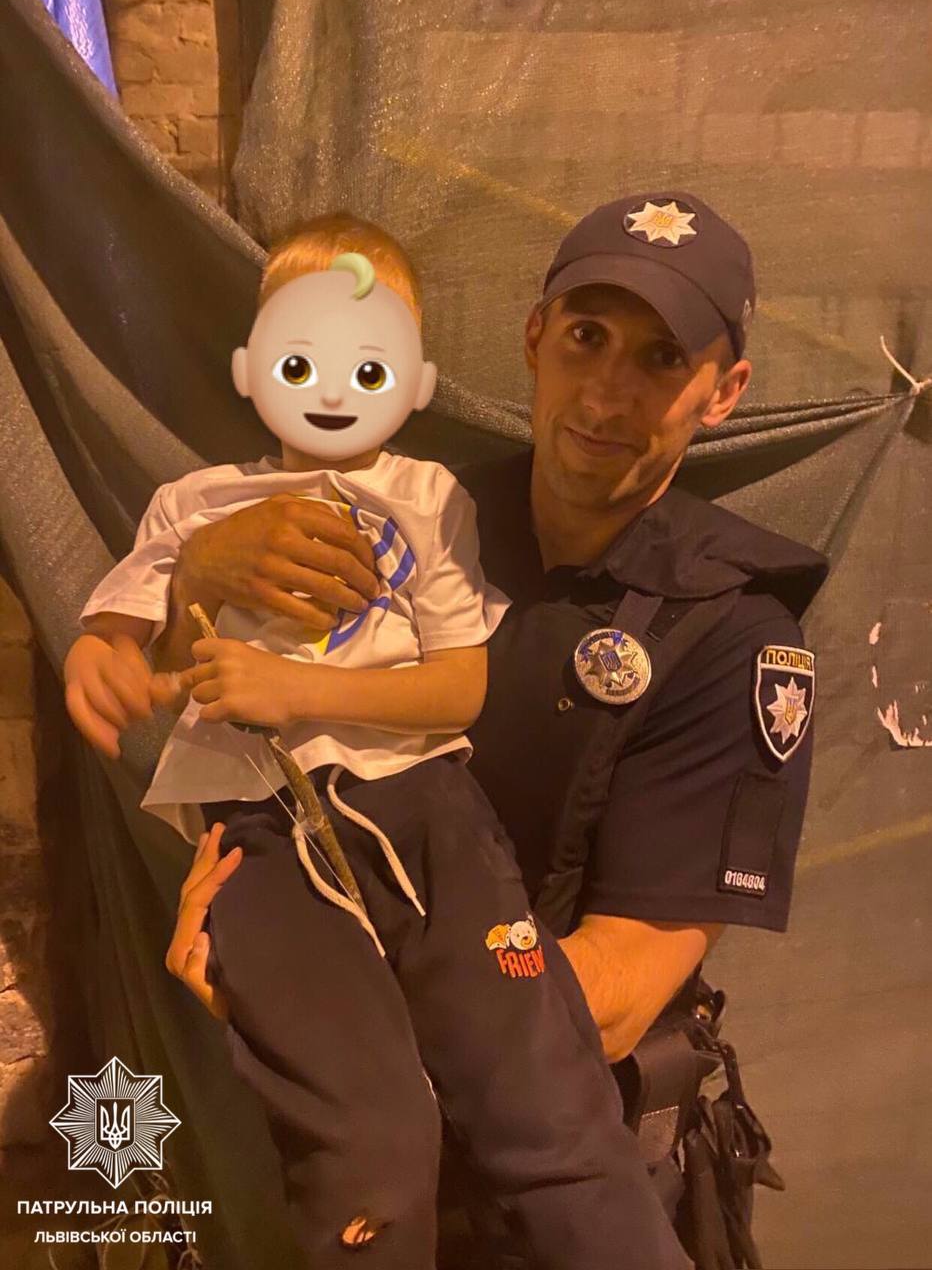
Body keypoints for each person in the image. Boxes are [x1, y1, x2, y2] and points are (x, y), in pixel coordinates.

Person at [162, 193, 828, 1266]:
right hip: (369, 1172)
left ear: (723, 392)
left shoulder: (727, 632)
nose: (604, 393)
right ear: (534, 338)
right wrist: (192, 576)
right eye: (585, 338)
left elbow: (616, 994)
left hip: (564, 1183)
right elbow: (214, 713)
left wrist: (303, 1003)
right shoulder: (409, 524)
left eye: (661, 358)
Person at [63, 215, 690, 1270]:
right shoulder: (192, 504)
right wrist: (103, 655)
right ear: (250, 367)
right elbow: (119, 633)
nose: (330, 388)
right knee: (367, 1143)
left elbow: (463, 684)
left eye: (367, 365)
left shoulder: (428, 498)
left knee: (550, 1106)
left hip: (427, 812)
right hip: (262, 832)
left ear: (415, 381)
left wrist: (292, 685)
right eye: (299, 360)